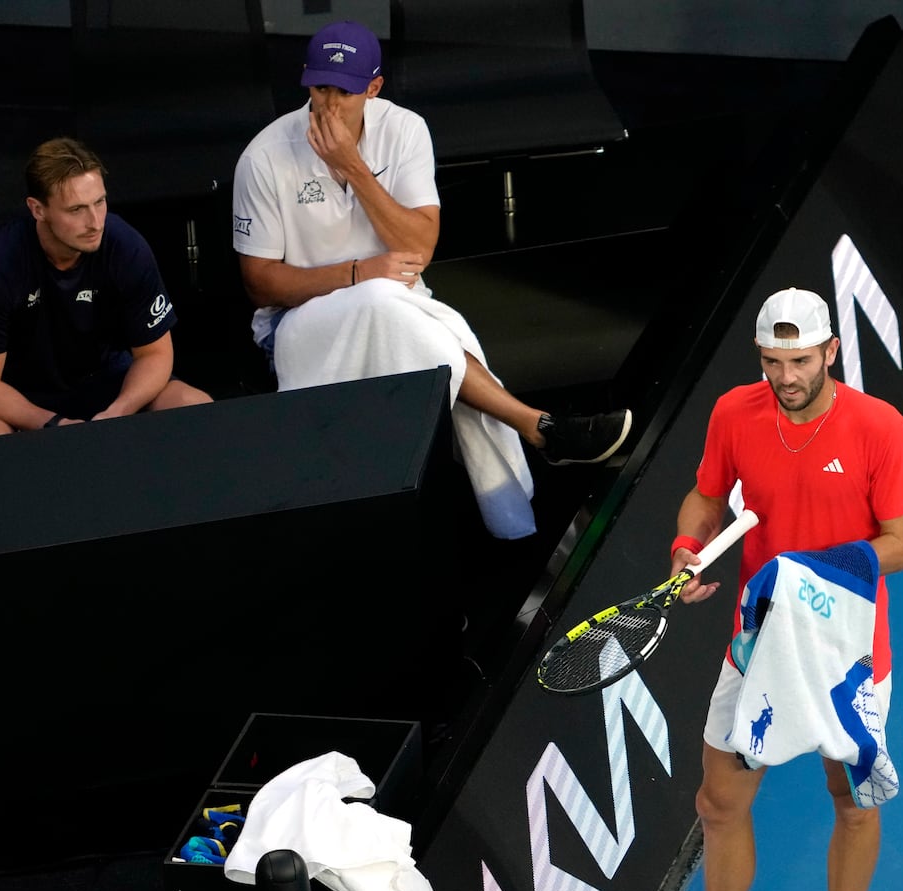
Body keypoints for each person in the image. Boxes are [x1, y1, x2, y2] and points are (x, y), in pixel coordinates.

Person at [621, 288, 903, 891]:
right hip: (757, 643)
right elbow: (704, 495)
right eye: (770, 362)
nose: (785, 376)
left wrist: (810, 573)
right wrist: (686, 549)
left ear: (829, 351)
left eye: (799, 360)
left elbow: (901, 543)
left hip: (846, 655)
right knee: (719, 802)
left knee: (852, 803)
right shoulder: (736, 412)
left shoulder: (877, 427)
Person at [230, 20, 631, 539]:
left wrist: (353, 168)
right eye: (318, 87)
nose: (327, 104)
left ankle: (533, 443)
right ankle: (537, 431)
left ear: (373, 89)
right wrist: (356, 274)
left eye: (343, 91)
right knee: (387, 303)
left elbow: (418, 249)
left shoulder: (404, 130)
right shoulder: (264, 157)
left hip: (400, 302)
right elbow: (260, 284)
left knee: (396, 312)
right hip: (297, 323)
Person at [0, 136, 211, 440]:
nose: (95, 222)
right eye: (76, 209)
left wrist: (117, 413)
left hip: (103, 380)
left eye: (100, 202)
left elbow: (155, 354)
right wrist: (54, 424)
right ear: (37, 209)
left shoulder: (126, 247)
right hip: (13, 392)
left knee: (195, 408)